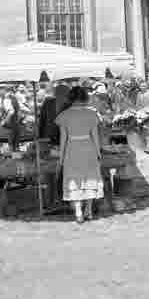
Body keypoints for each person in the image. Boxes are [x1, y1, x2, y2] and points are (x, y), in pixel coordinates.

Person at [55, 86, 104, 224]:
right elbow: (95, 136)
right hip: (89, 148)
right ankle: (88, 210)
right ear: (84, 97)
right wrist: (98, 153)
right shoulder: (92, 114)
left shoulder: (64, 116)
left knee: (73, 180)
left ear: (71, 98)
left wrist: (61, 158)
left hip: (72, 150)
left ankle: (78, 211)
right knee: (90, 178)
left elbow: (63, 140)